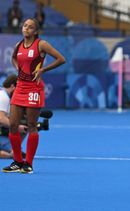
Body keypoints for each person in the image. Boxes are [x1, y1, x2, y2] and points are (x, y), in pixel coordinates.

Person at [2, 18, 65, 174]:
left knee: (31, 125)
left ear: (35, 31)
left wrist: (43, 70)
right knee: (13, 125)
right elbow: (14, 58)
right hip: (20, 87)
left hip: (34, 89)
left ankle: (28, 164)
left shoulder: (41, 45)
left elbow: (61, 59)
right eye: (25, 26)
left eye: (30, 27)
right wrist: (19, 70)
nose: (26, 29)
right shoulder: (19, 45)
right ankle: (17, 161)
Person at [0, 75, 27, 159]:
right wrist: (18, 127)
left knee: (23, 122)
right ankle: (11, 151)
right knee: (22, 124)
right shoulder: (3, 96)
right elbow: (1, 119)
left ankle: (12, 149)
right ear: (12, 86)